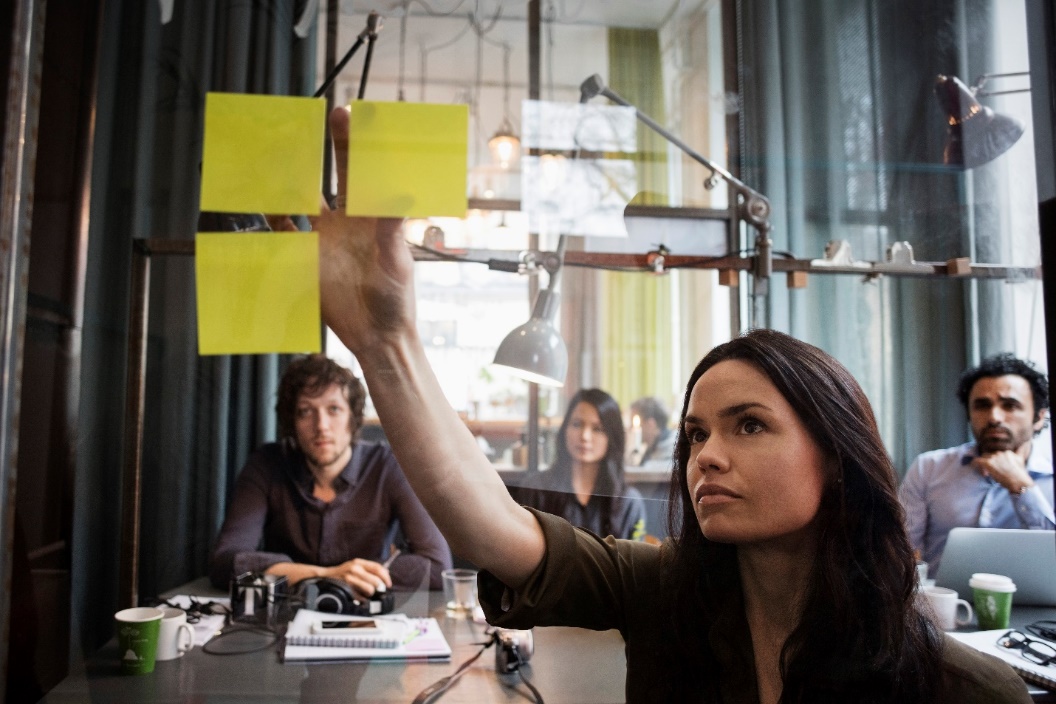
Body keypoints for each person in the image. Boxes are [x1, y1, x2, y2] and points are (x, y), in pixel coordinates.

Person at [307, 105, 1030, 703]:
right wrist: (385, 343)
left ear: (839, 456)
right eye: (695, 434)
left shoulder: (965, 690)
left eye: (750, 425)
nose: (706, 455)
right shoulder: (664, 590)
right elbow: (495, 530)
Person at [208, 354, 451, 595]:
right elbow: (225, 561)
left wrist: (353, 576)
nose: (321, 425)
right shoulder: (267, 464)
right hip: (285, 618)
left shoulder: (388, 466)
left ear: (352, 418)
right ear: (292, 422)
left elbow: (436, 565)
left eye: (334, 409)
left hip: (368, 615)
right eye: (305, 411)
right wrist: (327, 576)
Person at [900, 354, 1054, 576]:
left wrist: (1021, 487)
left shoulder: (1050, 479)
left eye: (1010, 406)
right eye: (982, 406)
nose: (994, 417)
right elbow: (901, 550)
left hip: (1034, 607)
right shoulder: (929, 467)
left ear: (1039, 417)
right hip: (945, 605)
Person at [518, 389, 646, 540]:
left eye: (597, 429)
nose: (585, 436)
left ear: (612, 437)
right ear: (565, 429)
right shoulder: (536, 489)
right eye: (577, 424)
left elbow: (635, 561)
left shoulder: (629, 502)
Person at [628, 395, 676, 468]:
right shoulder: (652, 447)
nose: (631, 428)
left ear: (651, 424)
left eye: (635, 424)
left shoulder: (673, 450)